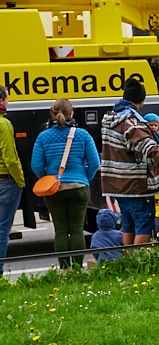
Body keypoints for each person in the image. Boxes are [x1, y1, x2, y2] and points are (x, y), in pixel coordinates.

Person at [100, 78, 159, 246]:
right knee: (143, 226)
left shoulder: (110, 119)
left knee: (128, 225)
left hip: (117, 184)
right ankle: (137, 261)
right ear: (141, 101)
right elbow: (151, 150)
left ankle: (128, 259)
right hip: (135, 185)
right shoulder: (132, 124)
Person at [31, 98, 100, 270]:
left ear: (52, 115)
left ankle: (65, 270)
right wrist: (85, 178)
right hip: (79, 187)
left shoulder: (43, 137)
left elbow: (36, 166)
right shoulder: (83, 134)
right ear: (72, 113)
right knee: (77, 229)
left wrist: (48, 179)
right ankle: (77, 270)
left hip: (54, 190)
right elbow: (94, 163)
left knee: (61, 230)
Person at [0, 85, 25, 277]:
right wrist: (20, 180)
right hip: (5, 182)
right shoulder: (4, 124)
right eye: (7, 98)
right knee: (2, 230)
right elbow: (10, 157)